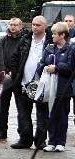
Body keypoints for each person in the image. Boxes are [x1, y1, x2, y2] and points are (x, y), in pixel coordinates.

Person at [10, 16, 51, 149]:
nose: (34, 27)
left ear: (44, 26)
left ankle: (40, 141)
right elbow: (15, 57)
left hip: (42, 84)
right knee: (23, 113)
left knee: (42, 114)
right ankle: (25, 139)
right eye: (33, 24)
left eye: (38, 25)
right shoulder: (26, 39)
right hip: (23, 82)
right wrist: (16, 74)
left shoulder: (50, 41)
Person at [37, 22, 74, 152]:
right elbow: (41, 64)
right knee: (50, 114)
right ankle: (51, 141)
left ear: (62, 35)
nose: (52, 36)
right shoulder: (49, 48)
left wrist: (57, 68)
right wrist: (45, 67)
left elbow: (71, 68)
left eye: (54, 33)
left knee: (62, 115)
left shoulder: (70, 49)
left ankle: (60, 142)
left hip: (63, 88)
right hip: (49, 87)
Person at [0, 17, 26, 140]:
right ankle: (2, 130)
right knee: (3, 106)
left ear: (21, 26)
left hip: (18, 77)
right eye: (11, 24)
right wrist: (3, 71)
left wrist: (15, 73)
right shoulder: (4, 40)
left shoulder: (24, 40)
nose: (12, 27)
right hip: (5, 76)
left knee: (21, 107)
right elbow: (0, 56)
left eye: (15, 25)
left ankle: (22, 132)